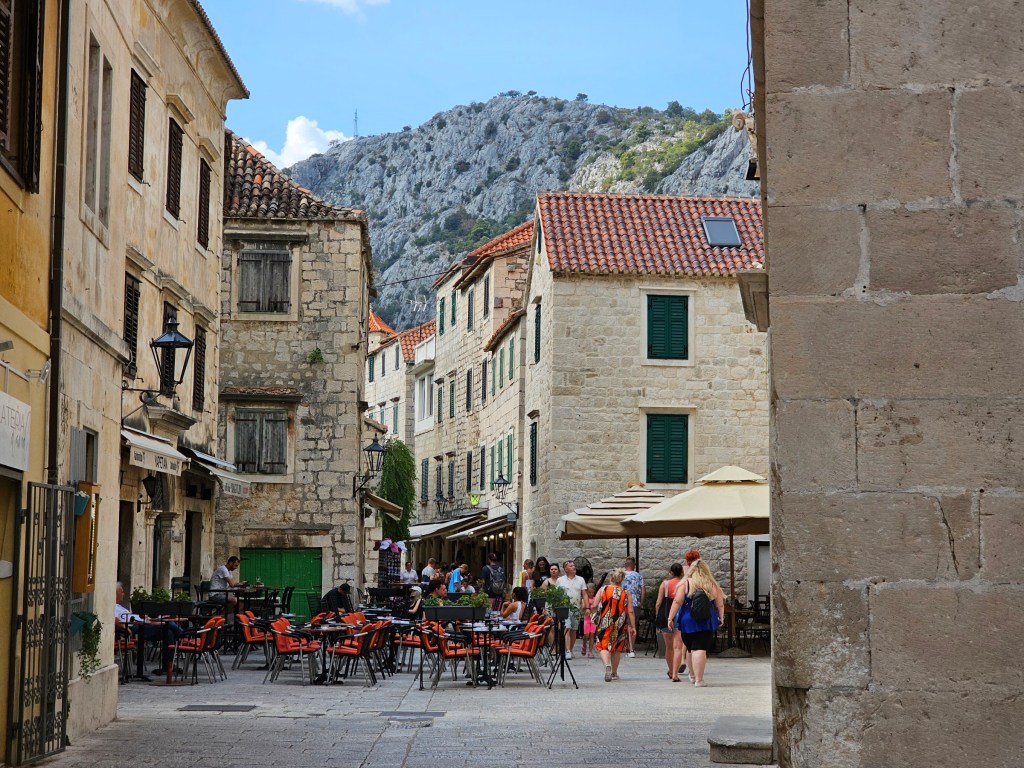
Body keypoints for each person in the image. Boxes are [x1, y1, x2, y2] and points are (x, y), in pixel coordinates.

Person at [668, 558, 726, 687]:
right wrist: (721, 617)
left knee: (690, 649)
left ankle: (693, 676)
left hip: (687, 620)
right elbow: (720, 604)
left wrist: (670, 618)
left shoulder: (685, 584)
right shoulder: (711, 584)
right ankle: (699, 680)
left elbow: (677, 602)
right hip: (706, 620)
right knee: (700, 649)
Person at [114, 582, 183, 679]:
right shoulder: (112, 607)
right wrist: (125, 628)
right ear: (115, 593)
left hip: (142, 624)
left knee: (168, 633)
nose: (123, 594)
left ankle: (168, 666)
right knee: (169, 625)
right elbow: (113, 619)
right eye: (122, 592)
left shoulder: (120, 607)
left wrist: (151, 619)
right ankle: (183, 634)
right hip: (135, 627)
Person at [592, 568, 635, 682]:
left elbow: (595, 605)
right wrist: (633, 626)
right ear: (621, 580)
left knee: (603, 644)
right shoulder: (626, 592)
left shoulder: (603, 589)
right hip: (620, 622)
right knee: (616, 647)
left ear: (611, 578)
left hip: (605, 620)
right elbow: (630, 611)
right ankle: (614, 673)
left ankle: (607, 665)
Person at [656, 563, 685, 681]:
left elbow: (658, 602)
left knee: (669, 647)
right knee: (678, 647)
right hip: (680, 615)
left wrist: (657, 615)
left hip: (666, 614)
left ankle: (671, 670)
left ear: (671, 572)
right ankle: (675, 674)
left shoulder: (665, 584)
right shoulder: (684, 583)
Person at [555, 560, 587, 659]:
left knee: (574, 630)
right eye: (571, 566)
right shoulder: (560, 580)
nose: (574, 567)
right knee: (567, 628)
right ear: (566, 569)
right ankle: (567, 650)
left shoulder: (581, 579)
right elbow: (557, 595)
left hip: (576, 607)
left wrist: (587, 607)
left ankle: (570, 649)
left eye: (574, 565)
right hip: (564, 607)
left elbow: (584, 594)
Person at [621, 556, 645, 658]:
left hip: (623, 603)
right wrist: (641, 602)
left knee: (624, 626)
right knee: (633, 625)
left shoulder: (621, 575)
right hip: (635, 603)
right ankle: (631, 648)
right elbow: (643, 590)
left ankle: (628, 648)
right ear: (633, 565)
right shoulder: (638, 576)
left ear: (626, 565)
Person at [581, 583, 597, 658]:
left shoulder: (595, 599)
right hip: (587, 619)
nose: (591, 594)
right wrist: (588, 605)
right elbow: (583, 607)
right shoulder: (584, 599)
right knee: (586, 635)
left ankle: (590, 651)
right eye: (589, 592)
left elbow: (596, 608)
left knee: (592, 635)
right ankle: (584, 645)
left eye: (592, 592)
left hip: (593, 619)